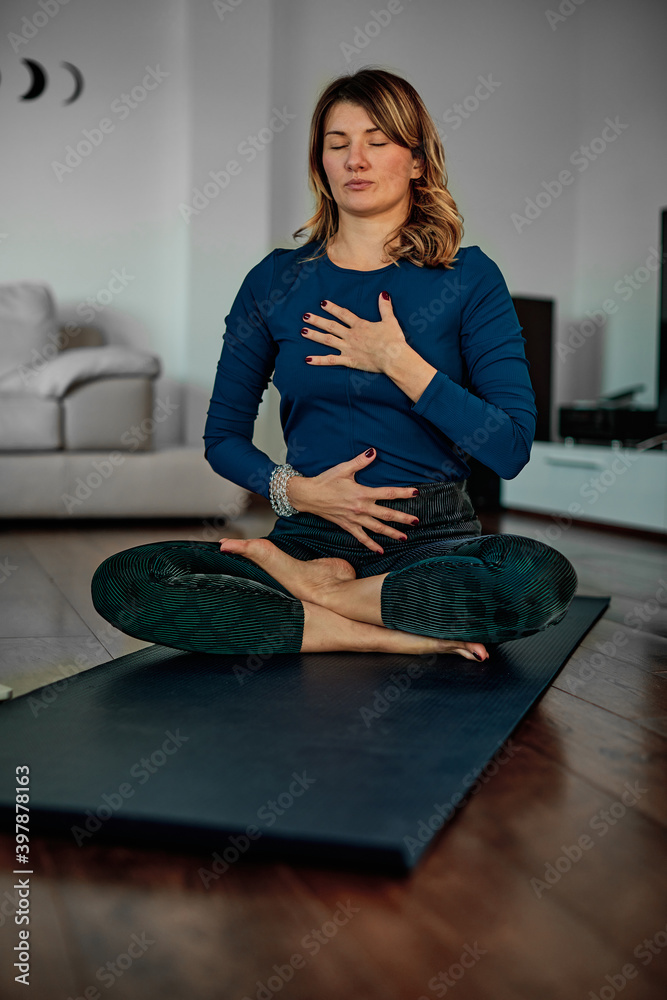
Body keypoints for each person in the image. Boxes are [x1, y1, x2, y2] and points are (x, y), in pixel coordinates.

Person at [91, 67, 577, 663]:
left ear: (418, 161)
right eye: (337, 143)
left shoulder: (471, 277)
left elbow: (510, 449)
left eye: (378, 141)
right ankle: (372, 627)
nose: (356, 159)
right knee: (128, 578)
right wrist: (291, 490)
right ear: (320, 162)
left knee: (537, 577)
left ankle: (323, 606)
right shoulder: (274, 280)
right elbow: (222, 438)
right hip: (312, 532)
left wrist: (397, 360)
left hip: (431, 536)